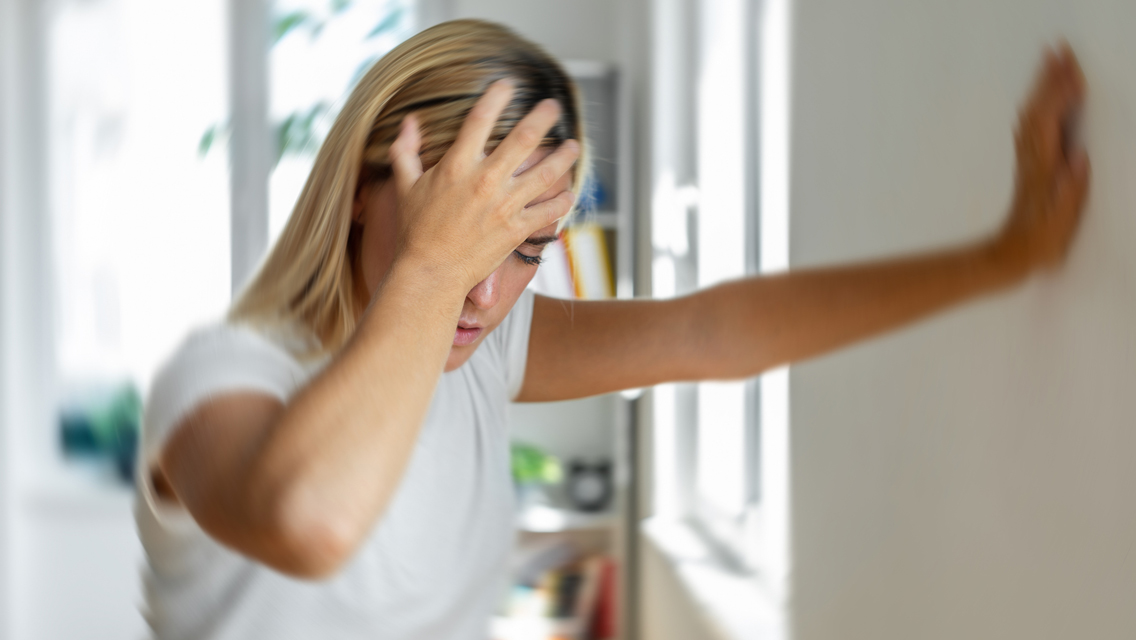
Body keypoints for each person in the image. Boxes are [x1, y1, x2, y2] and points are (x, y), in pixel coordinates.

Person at [136, 19, 1089, 640]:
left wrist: (1005, 256)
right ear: (358, 189)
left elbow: (713, 331)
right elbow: (312, 520)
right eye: (455, 227)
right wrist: (431, 264)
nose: (482, 291)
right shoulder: (218, 377)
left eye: (526, 247)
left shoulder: (475, 354)